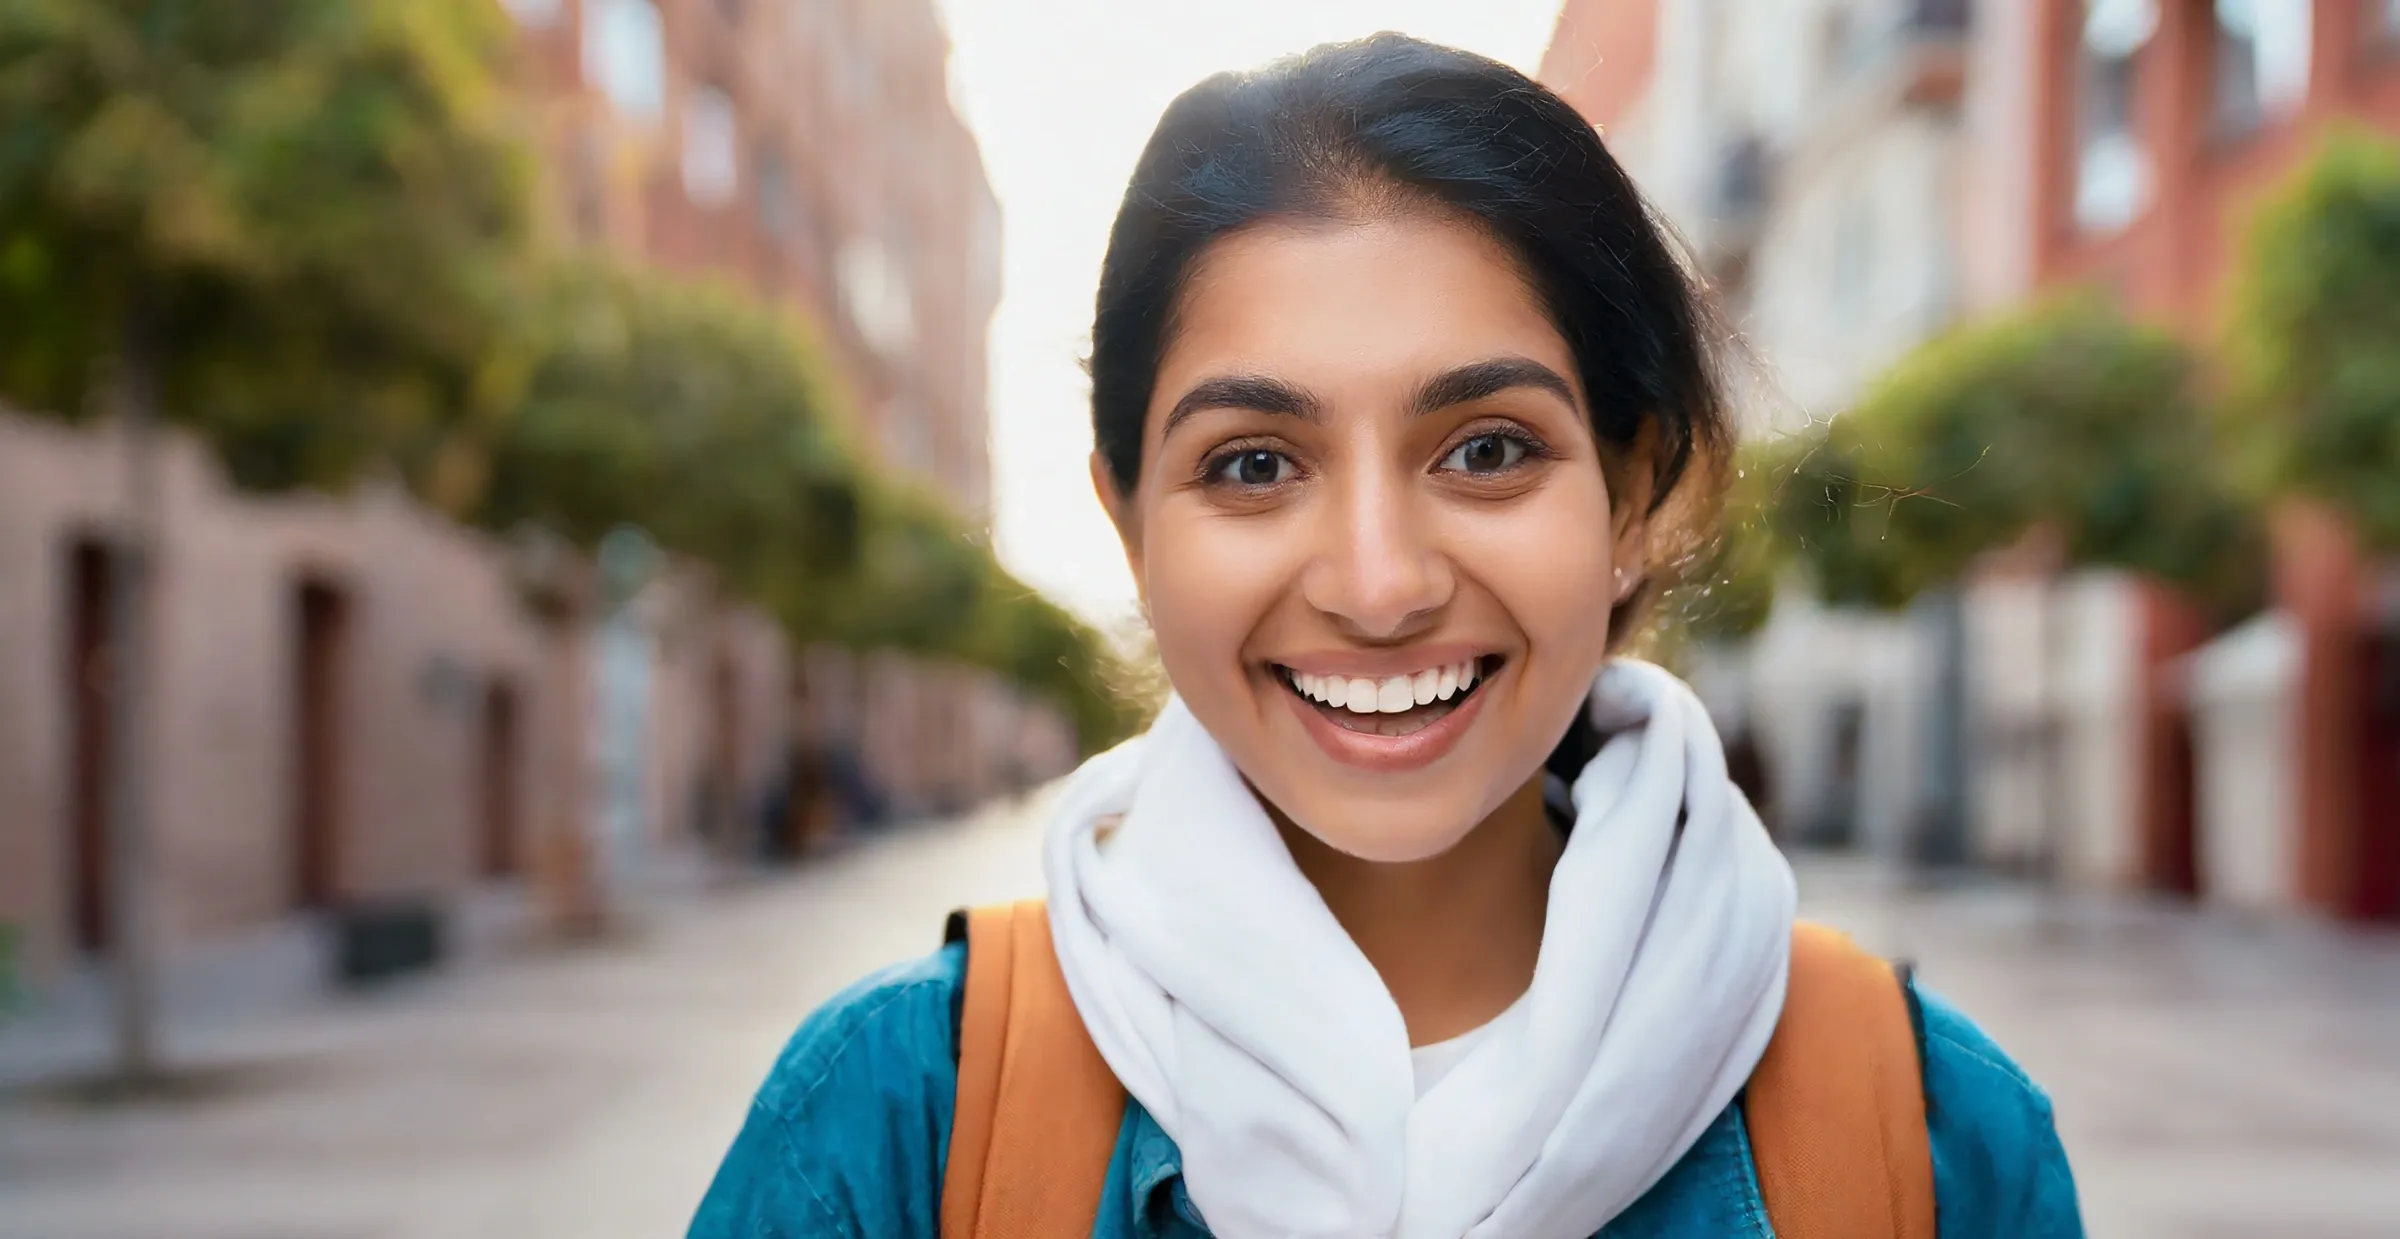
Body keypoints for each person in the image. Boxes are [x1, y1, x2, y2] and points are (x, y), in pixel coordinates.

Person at [690, 35, 2082, 1239]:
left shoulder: (1930, 1135)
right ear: (1130, 525)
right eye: (1251, 463)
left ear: (1637, 491)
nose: (1376, 582)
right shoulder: (894, 1117)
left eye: (1485, 447)